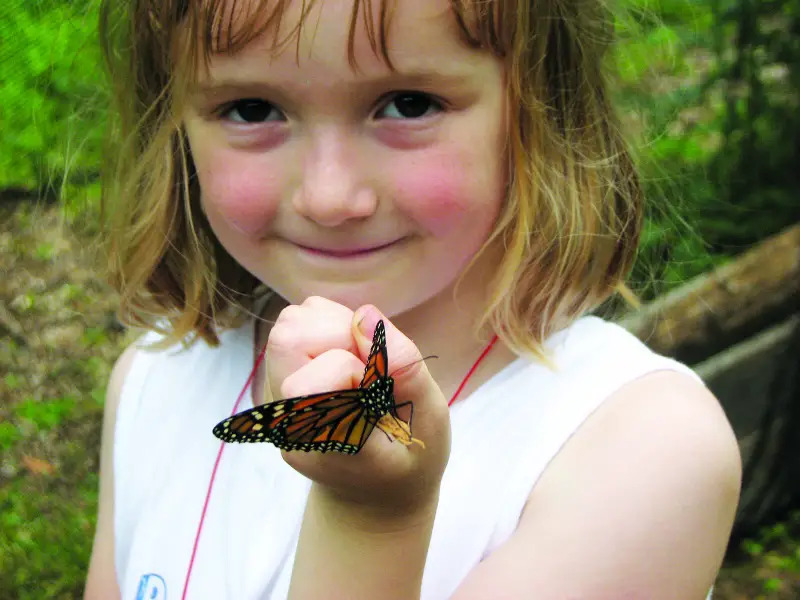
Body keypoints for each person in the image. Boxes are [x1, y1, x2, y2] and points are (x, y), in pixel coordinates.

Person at [85, 0, 742, 598]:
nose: (330, 198)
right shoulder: (153, 379)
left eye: (408, 103)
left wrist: (371, 517)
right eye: (253, 110)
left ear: (543, 108)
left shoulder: (645, 451)